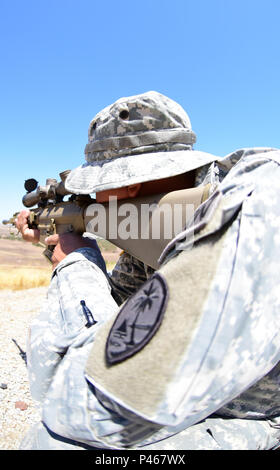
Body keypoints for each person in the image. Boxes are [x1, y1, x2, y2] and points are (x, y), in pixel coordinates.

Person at [16, 91, 280, 450]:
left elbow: (81, 402)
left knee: (52, 444)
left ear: (127, 184)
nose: (93, 202)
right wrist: (58, 247)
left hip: (260, 419)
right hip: (208, 400)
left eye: (95, 192)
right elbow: (122, 313)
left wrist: (75, 264)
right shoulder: (153, 234)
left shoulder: (256, 203)